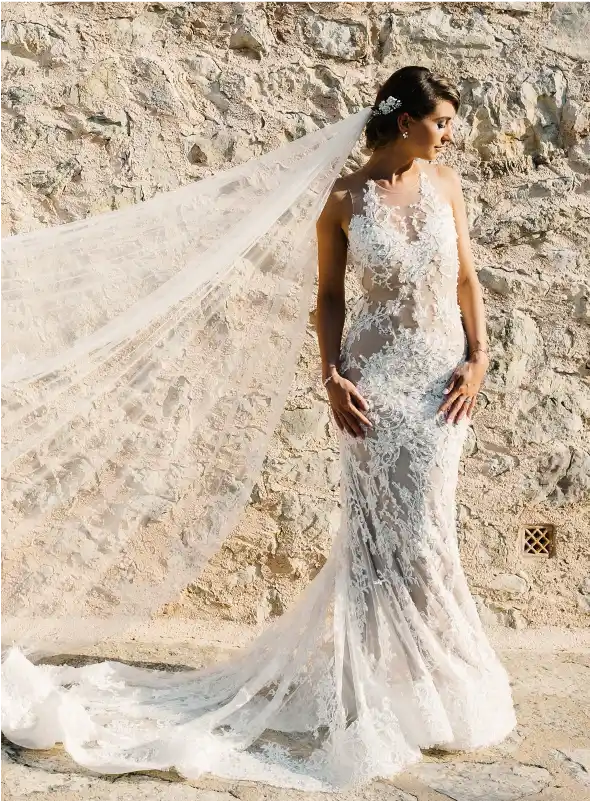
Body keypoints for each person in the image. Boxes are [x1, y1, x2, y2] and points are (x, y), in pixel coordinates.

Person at [0, 65, 516, 792]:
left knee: (429, 533)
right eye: (441, 123)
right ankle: (371, 690)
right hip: (370, 391)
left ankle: (430, 682)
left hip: (439, 387)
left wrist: (480, 357)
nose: (450, 134)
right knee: (372, 544)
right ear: (406, 124)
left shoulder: (448, 188)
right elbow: (329, 295)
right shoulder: (343, 200)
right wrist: (332, 374)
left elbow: (466, 278)